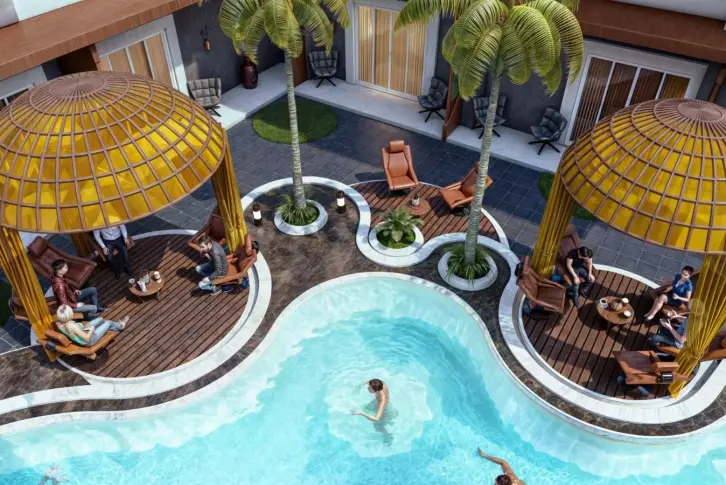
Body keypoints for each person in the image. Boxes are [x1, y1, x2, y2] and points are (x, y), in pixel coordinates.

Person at [55, 305, 128, 347]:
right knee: (108, 322)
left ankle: (112, 327)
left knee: (100, 319)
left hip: (83, 330)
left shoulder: (58, 322)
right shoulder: (72, 326)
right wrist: (91, 330)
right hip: (90, 340)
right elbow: (87, 338)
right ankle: (120, 326)